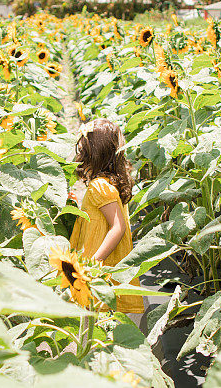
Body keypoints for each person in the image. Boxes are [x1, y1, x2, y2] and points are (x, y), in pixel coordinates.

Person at [69, 118, 144, 315]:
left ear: (93, 154)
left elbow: (118, 227)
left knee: (96, 318)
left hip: (99, 266)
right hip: (104, 264)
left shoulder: (99, 186)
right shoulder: (107, 183)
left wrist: (92, 265)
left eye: (82, 150)